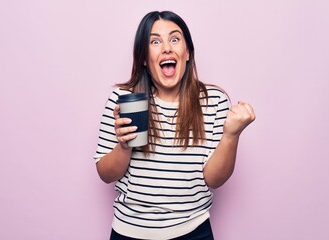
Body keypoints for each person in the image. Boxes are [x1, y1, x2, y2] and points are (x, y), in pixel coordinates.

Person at [94, 10, 255, 240]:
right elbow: (105, 174)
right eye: (155, 41)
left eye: (175, 39)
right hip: (129, 232)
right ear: (143, 57)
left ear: (187, 52)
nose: (166, 48)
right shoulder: (124, 100)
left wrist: (231, 135)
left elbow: (214, 180)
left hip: (194, 231)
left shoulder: (214, 100)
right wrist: (124, 146)